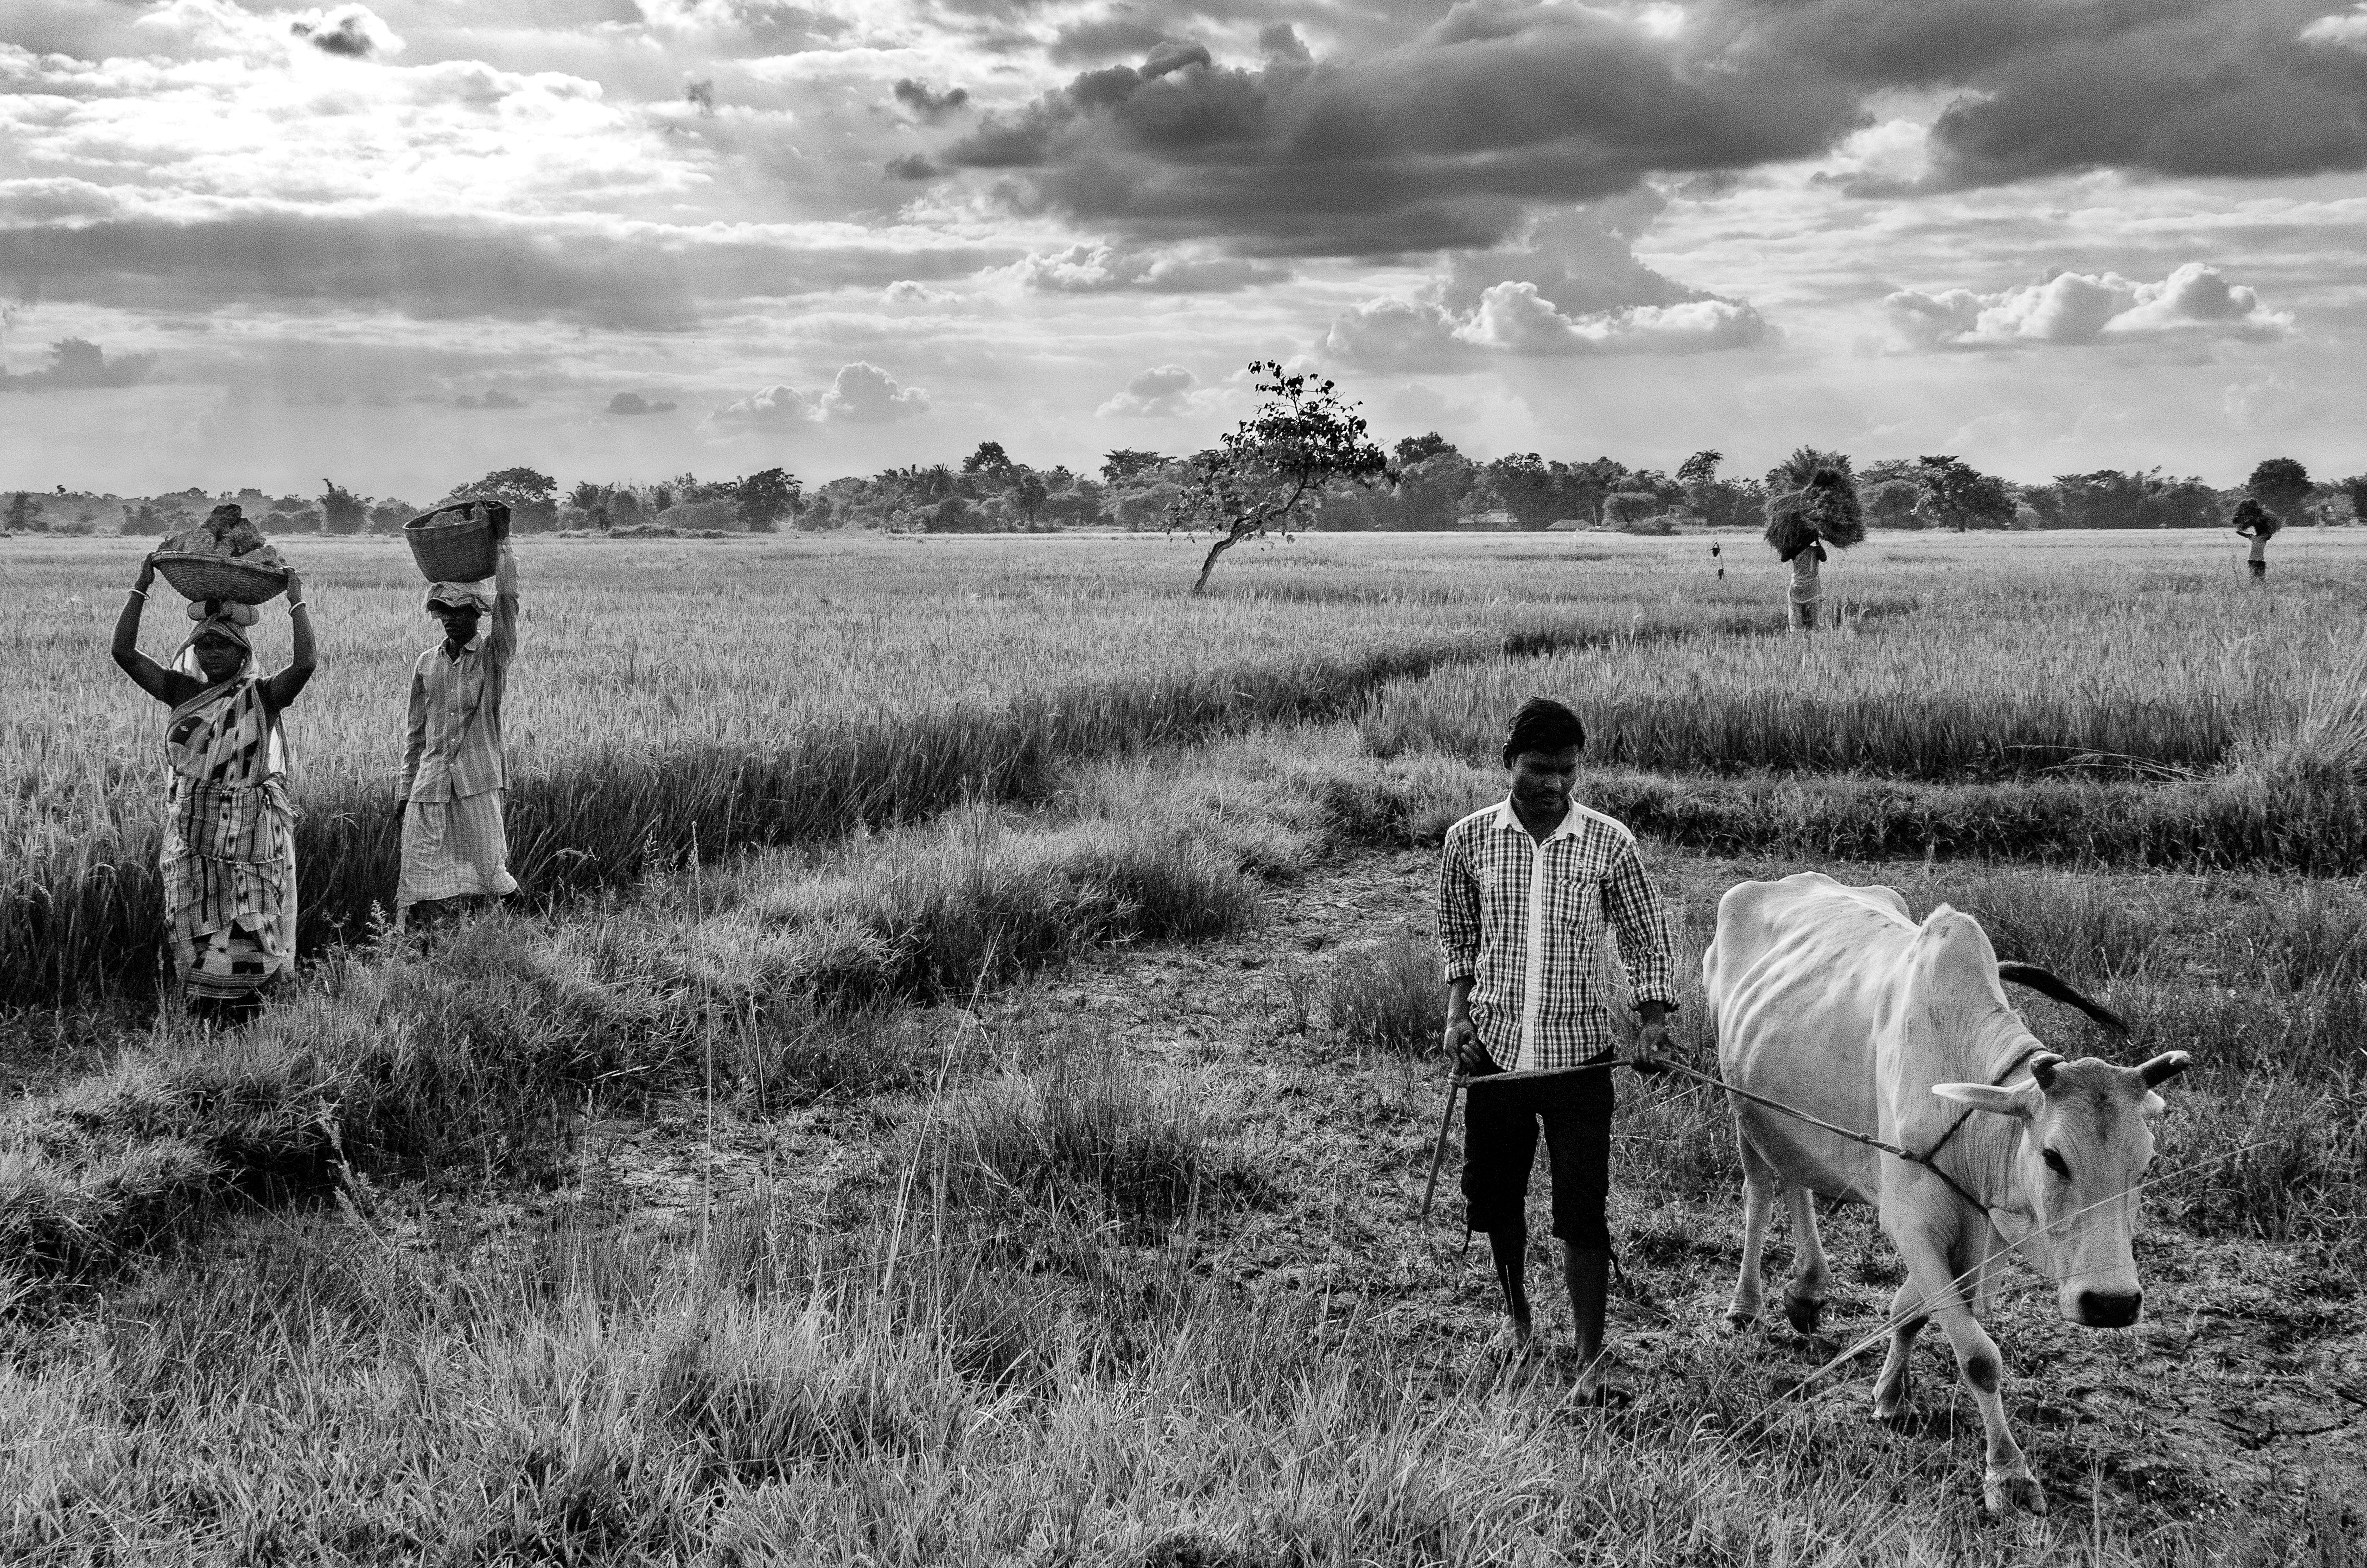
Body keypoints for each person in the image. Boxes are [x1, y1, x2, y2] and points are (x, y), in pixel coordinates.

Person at [1435, 697, 1679, 1401]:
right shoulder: (1468, 839)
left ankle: (1589, 1354)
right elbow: (1456, 936)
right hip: (1495, 1056)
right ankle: (1516, 1324)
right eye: (1540, 769)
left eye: (1566, 770)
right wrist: (1458, 1018)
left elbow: (1644, 937)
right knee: (1496, 1198)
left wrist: (1651, 1021)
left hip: (1578, 1058)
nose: (1554, 784)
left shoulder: (1608, 842)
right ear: (1507, 760)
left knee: (1582, 1206)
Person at [111, 554, 316, 1022]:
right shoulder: (181, 691)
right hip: (192, 830)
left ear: (243, 653)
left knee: (248, 920)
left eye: (224, 646)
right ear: (194, 650)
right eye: (205, 646)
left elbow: (306, 664)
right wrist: (140, 587)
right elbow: (123, 652)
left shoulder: (262, 696)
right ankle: (204, 1005)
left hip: (248, 832)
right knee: (192, 914)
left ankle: (249, 1005)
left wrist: (297, 602)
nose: (213, 654)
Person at [397, 527, 520, 928]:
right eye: (444, 611)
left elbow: (509, 607)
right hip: (430, 781)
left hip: (478, 780)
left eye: (461, 611)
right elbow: (415, 733)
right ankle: (416, 948)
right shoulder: (426, 663)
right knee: (417, 874)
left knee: (490, 872)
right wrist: (404, 788)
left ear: (477, 614)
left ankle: (525, 930)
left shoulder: (491, 656)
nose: (451, 619)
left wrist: (503, 551)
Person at [1781, 537, 1825, 629]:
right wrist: (1818, 542)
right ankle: (1813, 635)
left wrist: (1789, 542)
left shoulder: (1795, 551)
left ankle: (1798, 635)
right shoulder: (1815, 551)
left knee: (1796, 619)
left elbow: (1784, 558)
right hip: (1812, 588)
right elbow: (1824, 558)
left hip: (1798, 587)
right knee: (1815, 620)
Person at [2231, 498, 2277, 579]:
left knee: (2259, 578)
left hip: (2257, 560)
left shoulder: (2262, 537)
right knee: (2255, 578)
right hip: (2254, 560)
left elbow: (2270, 533)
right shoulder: (2256, 537)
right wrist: (2240, 530)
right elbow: (2243, 534)